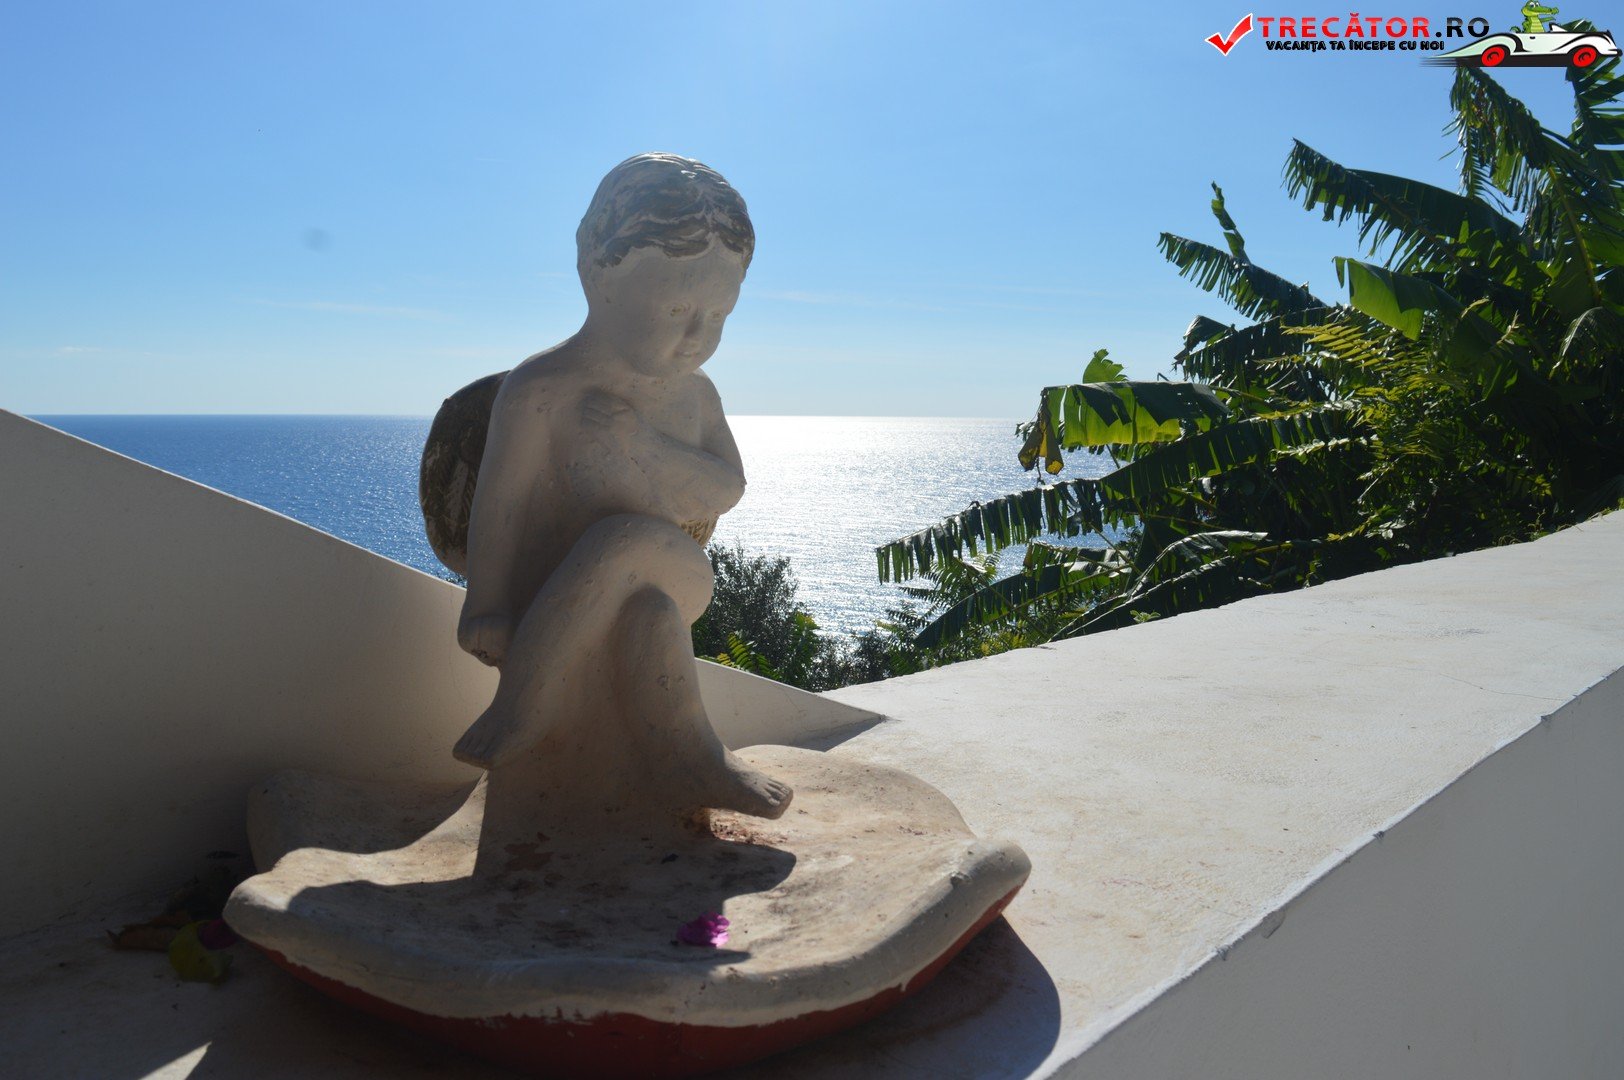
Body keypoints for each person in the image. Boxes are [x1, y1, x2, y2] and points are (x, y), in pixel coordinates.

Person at [452, 154, 792, 831]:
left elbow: (725, 488)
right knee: (648, 623)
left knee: (627, 542)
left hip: (675, 571)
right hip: (555, 593)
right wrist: (486, 602)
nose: (697, 338)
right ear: (596, 272)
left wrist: (644, 447)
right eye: (676, 308)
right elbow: (501, 504)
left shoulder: (696, 396)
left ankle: (521, 707)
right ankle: (692, 758)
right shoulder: (542, 389)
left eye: (719, 315)